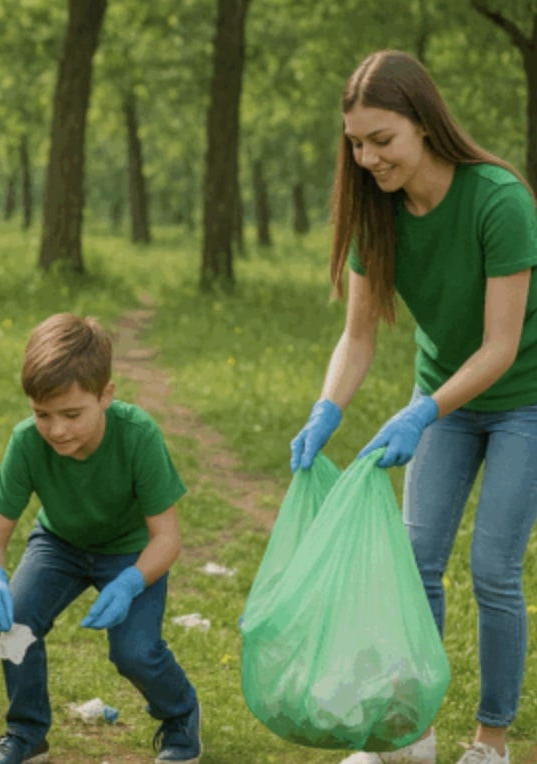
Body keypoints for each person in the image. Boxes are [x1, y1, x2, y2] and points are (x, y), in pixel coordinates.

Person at [290, 50, 537, 764]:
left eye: (382, 140)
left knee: (493, 566)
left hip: (522, 397)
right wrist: (325, 409)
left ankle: (491, 741)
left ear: (425, 125)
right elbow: (358, 337)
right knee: (414, 560)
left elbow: (498, 347)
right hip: (443, 400)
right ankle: (411, 734)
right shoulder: (379, 211)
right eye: (356, 143)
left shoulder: (499, 200)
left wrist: (422, 413)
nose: (367, 157)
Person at [0, 313, 202, 764]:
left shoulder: (138, 436)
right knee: (15, 622)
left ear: (106, 395)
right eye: (42, 414)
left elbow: (167, 539)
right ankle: (26, 734)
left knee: (134, 652)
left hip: (133, 552)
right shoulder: (26, 443)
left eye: (72, 414)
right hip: (59, 544)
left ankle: (180, 715)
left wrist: (131, 582)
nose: (56, 430)